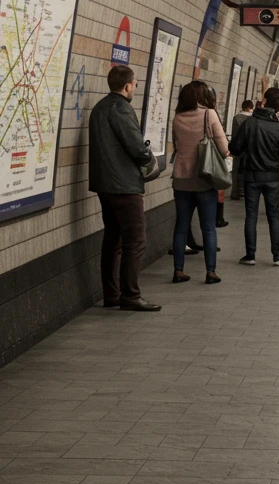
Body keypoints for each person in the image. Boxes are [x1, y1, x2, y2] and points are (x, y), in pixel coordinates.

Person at [88, 64, 161, 312]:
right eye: (135, 84)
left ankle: (112, 294)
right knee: (135, 240)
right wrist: (150, 161)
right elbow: (136, 147)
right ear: (128, 85)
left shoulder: (99, 108)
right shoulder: (121, 108)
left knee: (113, 239)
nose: (135, 88)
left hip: (104, 184)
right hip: (124, 186)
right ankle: (131, 296)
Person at [170, 80, 230, 286]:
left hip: (181, 179)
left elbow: (176, 145)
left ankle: (178, 270)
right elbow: (223, 148)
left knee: (181, 227)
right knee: (208, 228)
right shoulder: (209, 114)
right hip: (204, 179)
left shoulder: (177, 118)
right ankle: (210, 272)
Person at [230, 88, 279, 266]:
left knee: (251, 216)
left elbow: (236, 148)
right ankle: (277, 256)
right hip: (272, 177)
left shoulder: (249, 124)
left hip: (252, 177)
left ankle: (250, 255)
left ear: (264, 101)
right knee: (274, 216)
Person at [229, 99, 254, 201]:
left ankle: (234, 192)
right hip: (249, 149)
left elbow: (234, 134)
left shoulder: (236, 118)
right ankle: (244, 190)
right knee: (247, 170)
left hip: (238, 147)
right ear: (249, 108)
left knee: (236, 170)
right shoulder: (253, 119)